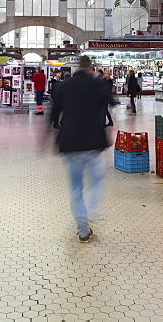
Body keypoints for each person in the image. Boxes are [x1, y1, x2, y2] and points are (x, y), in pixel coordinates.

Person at [51, 55, 113, 243]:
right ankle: (91, 210)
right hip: (93, 142)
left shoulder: (65, 85)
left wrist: (45, 138)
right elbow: (112, 100)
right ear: (91, 69)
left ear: (77, 67)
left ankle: (83, 228)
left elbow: (53, 112)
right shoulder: (96, 84)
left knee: (76, 187)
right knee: (99, 180)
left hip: (71, 142)